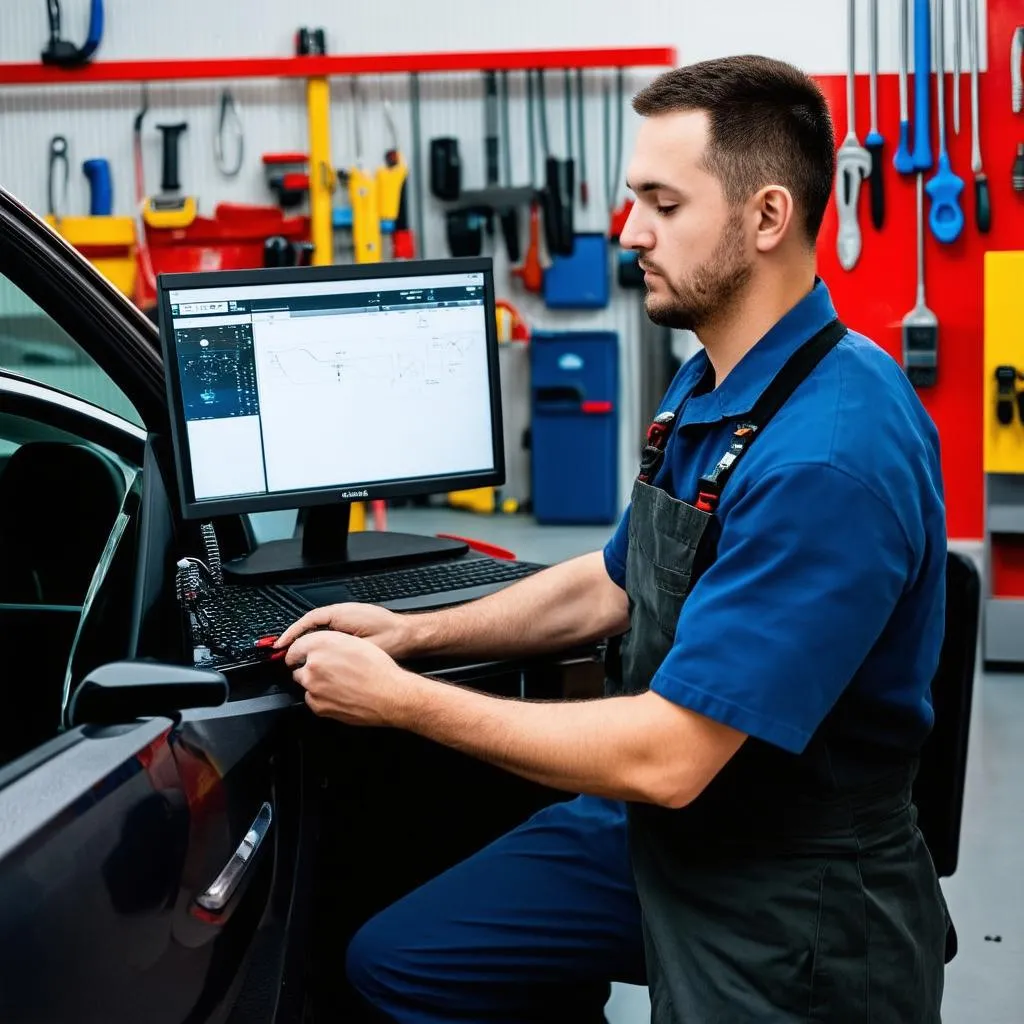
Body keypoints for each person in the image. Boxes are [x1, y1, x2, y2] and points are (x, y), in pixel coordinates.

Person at [274, 54, 953, 1023]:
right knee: (402, 962)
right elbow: (613, 580)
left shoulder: (826, 458)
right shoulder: (716, 378)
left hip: (788, 891)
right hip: (666, 831)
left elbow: (669, 756)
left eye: (661, 204)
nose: (628, 231)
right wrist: (408, 633)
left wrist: (401, 702)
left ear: (766, 217)